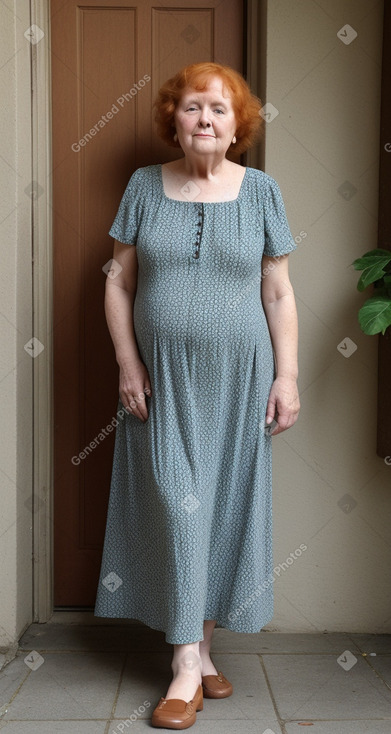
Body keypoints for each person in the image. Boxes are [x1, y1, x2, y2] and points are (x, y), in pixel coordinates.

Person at [94, 61, 300, 730]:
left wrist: (287, 375)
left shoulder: (261, 191)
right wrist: (128, 364)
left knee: (223, 510)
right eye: (191, 108)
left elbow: (277, 291)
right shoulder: (143, 188)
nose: (204, 119)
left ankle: (199, 651)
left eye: (217, 108)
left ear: (237, 123)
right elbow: (118, 282)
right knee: (176, 509)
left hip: (242, 380)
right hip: (163, 381)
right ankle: (186, 663)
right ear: (172, 120)